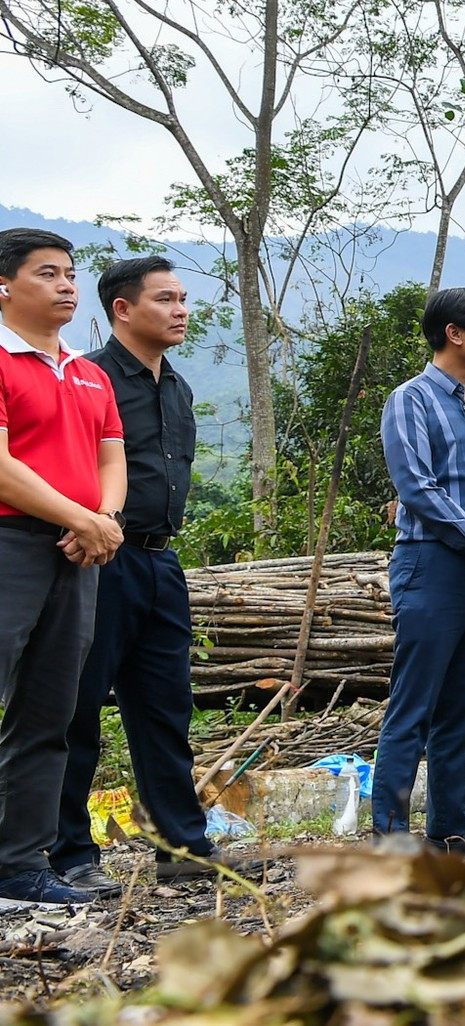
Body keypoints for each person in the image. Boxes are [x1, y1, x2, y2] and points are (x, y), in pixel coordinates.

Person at [53, 258, 259, 896]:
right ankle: (67, 852)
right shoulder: (86, 379)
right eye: (165, 299)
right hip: (96, 558)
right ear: (122, 308)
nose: (181, 310)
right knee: (77, 706)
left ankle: (181, 845)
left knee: (166, 707)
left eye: (183, 299)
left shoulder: (178, 388)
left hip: (161, 561)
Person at [0, 228, 125, 907]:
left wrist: (99, 521)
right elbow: (2, 468)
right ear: (5, 285)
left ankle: (18, 865)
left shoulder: (88, 372)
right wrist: (82, 519)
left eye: (70, 272)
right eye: (47, 273)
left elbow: (112, 461)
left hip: (79, 554)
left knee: (49, 711)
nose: (67, 285)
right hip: (10, 542)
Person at [375, 287, 465, 854]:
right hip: (432, 566)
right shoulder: (410, 400)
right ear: (454, 334)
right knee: (413, 706)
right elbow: (417, 487)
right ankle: (389, 840)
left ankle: (450, 832)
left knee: (461, 707)